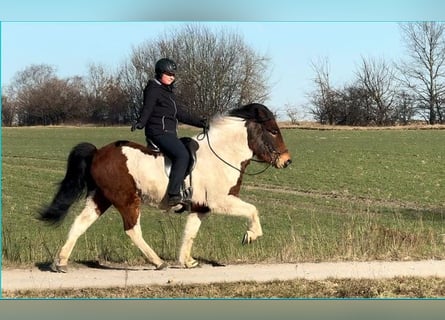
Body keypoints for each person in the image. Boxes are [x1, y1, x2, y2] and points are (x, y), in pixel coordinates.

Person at [132, 58, 207, 207]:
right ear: (160, 73)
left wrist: (201, 122)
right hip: (158, 132)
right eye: (168, 74)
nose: (172, 77)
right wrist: (141, 122)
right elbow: (148, 108)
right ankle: (173, 194)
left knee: (189, 147)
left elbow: (180, 114)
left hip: (169, 133)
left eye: (173, 74)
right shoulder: (153, 89)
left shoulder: (168, 92)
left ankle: (184, 188)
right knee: (182, 155)